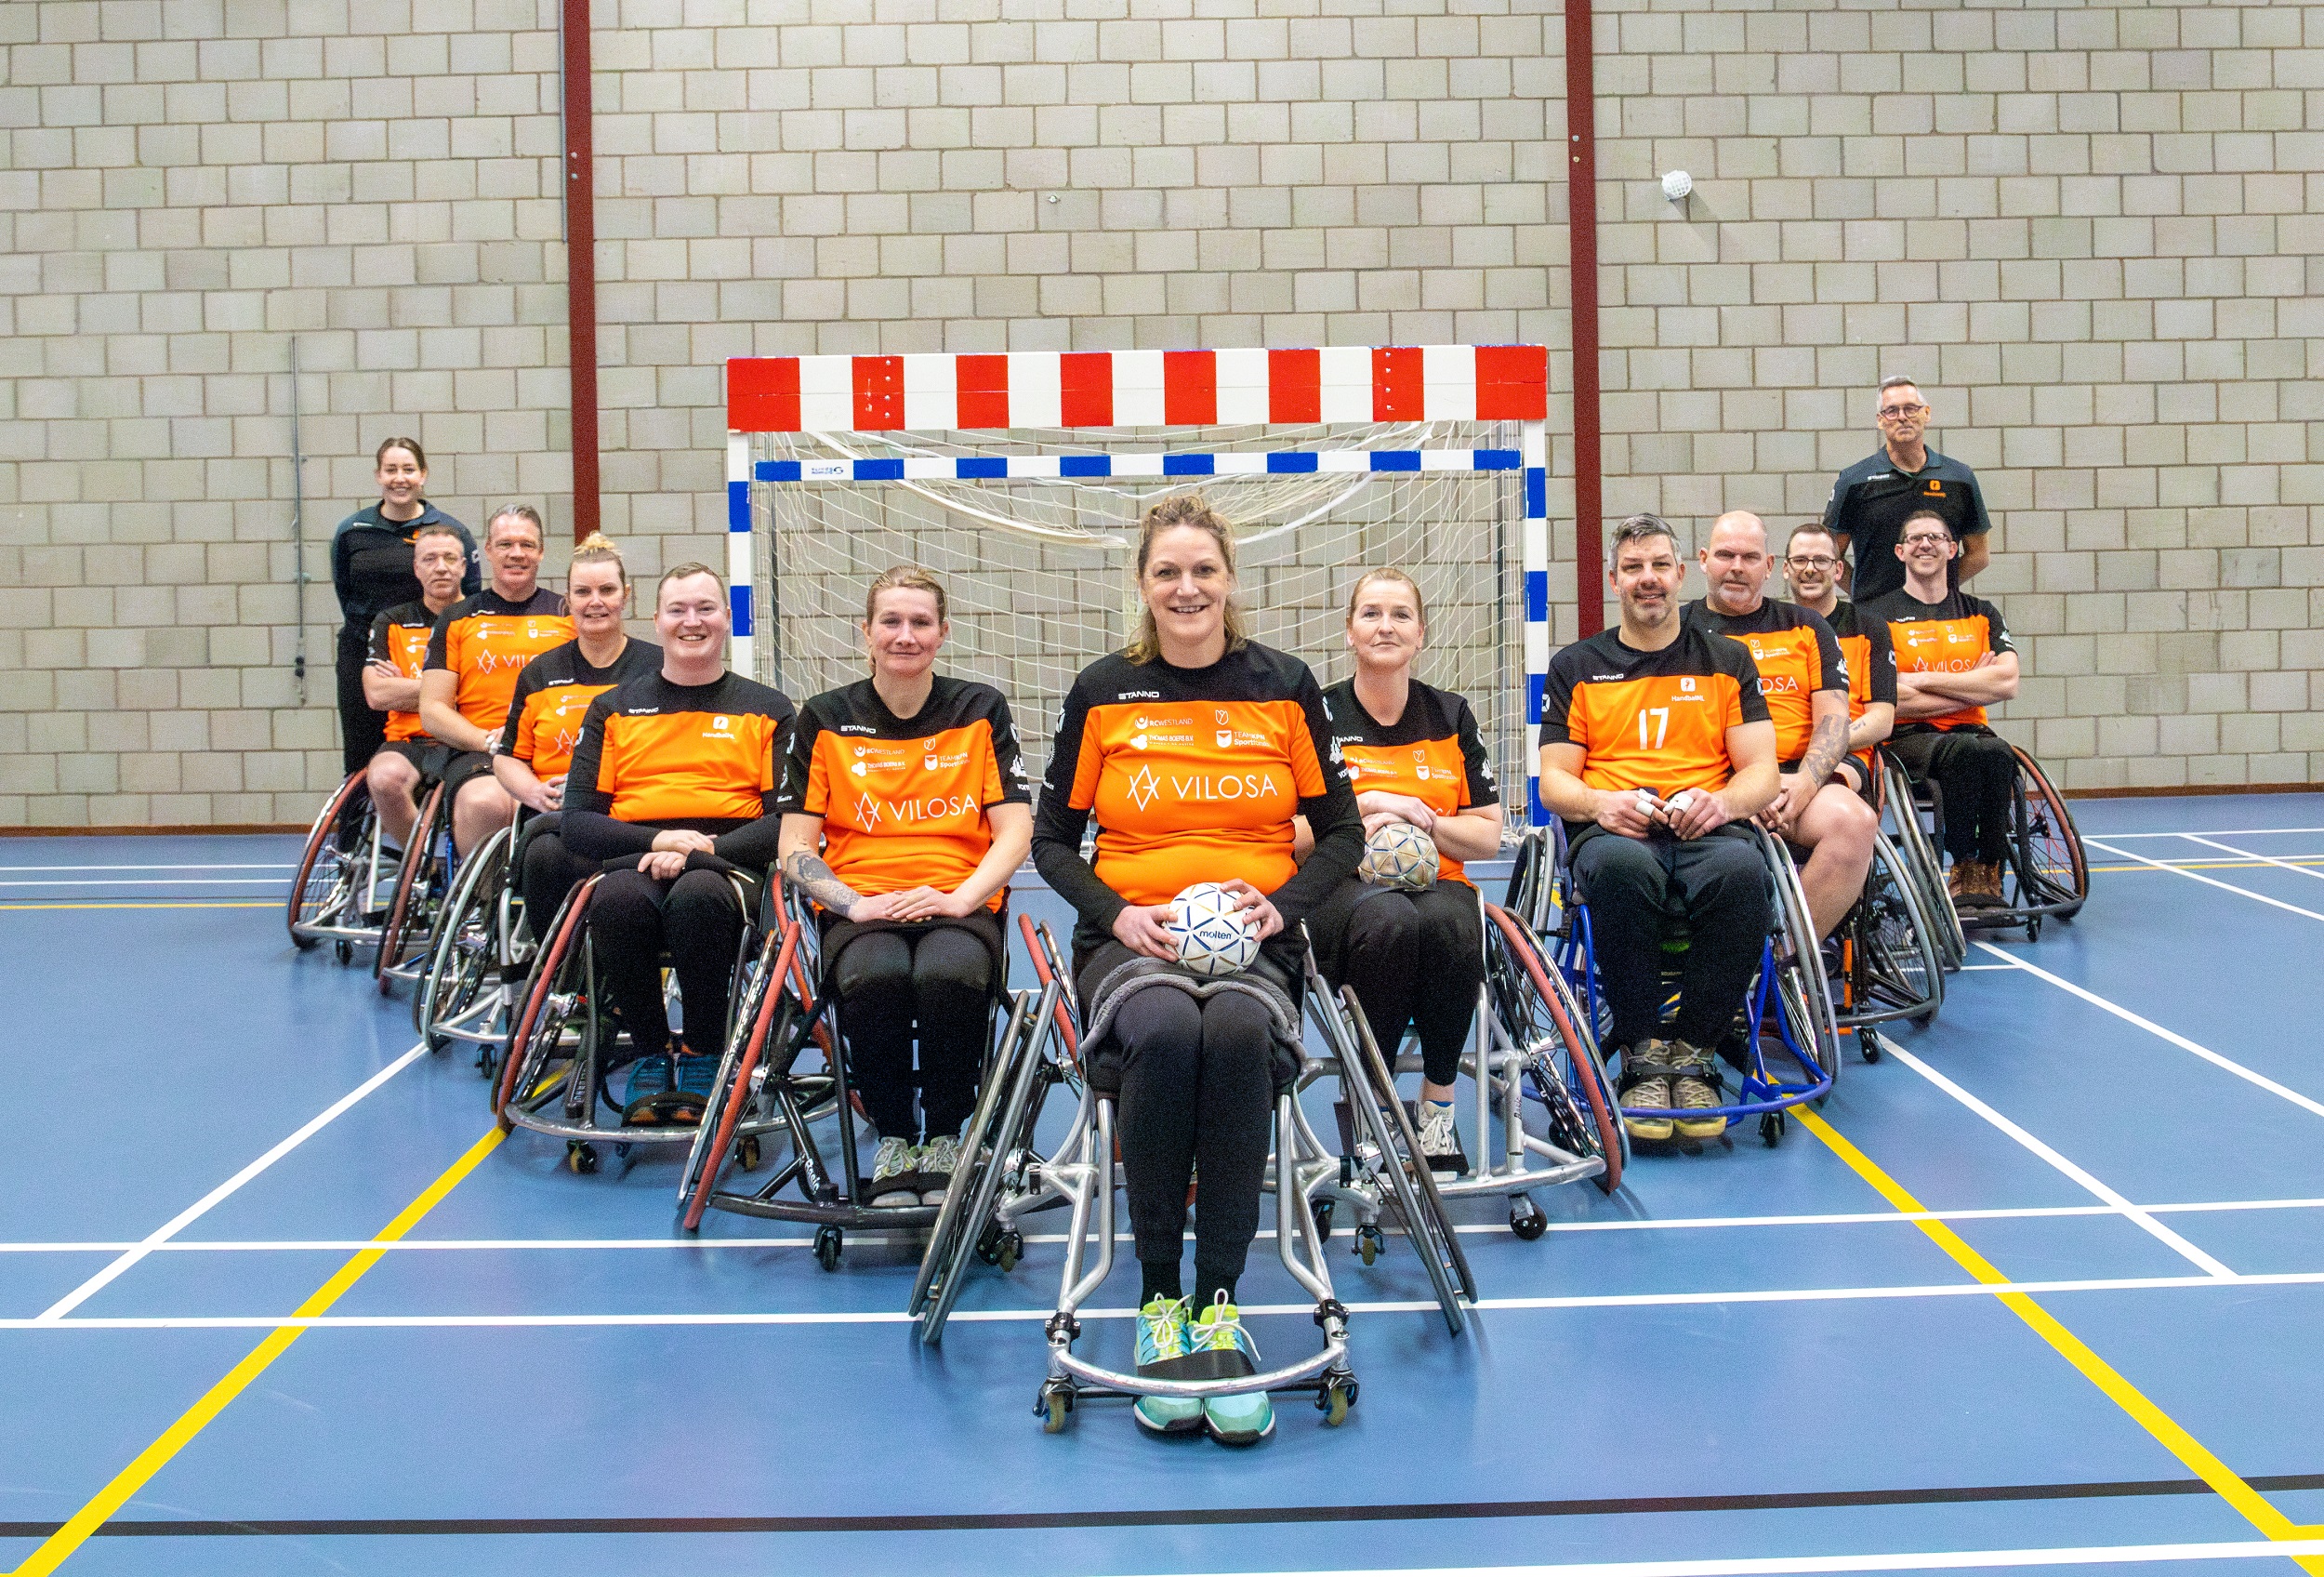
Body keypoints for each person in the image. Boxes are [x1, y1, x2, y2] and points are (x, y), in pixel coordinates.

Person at [1031, 494, 1362, 1446]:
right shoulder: (1104, 690)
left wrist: (1282, 908)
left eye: (1203, 570)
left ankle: (1218, 1303)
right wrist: (1118, 915)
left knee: (1240, 1033)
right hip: (1135, 944)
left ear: (1229, 579)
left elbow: (1342, 834)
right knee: (1171, 1031)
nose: (1187, 588)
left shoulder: (1285, 685)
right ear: (1143, 584)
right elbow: (1051, 842)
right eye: (1168, 572)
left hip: (1255, 944)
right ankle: (1156, 1299)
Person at [775, 566, 1034, 1209]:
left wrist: (963, 898)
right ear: (865, 632)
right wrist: (854, 904)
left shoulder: (979, 709)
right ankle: (893, 1138)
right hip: (862, 906)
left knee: (949, 974)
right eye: (890, 621)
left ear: (943, 633)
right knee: (876, 976)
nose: (905, 635)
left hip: (957, 903)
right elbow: (794, 849)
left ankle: (944, 1136)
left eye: (920, 622)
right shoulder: (825, 717)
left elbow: (1016, 830)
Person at [1538, 513, 1778, 1145]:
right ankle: (1642, 1053)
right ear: (1614, 580)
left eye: (1659, 566)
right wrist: (1600, 804)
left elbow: (1762, 773)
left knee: (1743, 872)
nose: (1648, 578)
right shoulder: (1576, 665)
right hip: (1617, 831)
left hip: (1708, 828)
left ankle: (1696, 1052)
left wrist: (1721, 803)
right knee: (1621, 870)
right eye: (1634, 567)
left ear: (1680, 574)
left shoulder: (1727, 659)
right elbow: (1553, 783)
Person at [560, 565, 796, 1112]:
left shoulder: (769, 708)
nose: (693, 621)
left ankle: (702, 1050)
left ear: (728, 618)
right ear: (657, 620)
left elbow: (785, 822)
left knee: (699, 897)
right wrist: (660, 841)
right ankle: (648, 1051)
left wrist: (703, 851)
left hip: (729, 863)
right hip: (638, 856)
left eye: (706, 608)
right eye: (678, 610)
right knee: (615, 901)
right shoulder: (613, 708)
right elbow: (577, 822)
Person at [1301, 568, 1503, 1171]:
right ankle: (1377, 1105)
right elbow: (1290, 835)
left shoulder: (1451, 715)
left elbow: (1486, 836)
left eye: (1400, 615)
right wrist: (1368, 806)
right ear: (1349, 631)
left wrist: (1424, 821)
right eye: (1370, 613)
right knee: (1389, 922)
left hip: (1439, 880)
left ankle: (1437, 1108)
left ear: (1421, 634)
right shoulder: (1318, 716)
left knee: (1452, 925)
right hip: (1342, 888)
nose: (1385, 626)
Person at [1683, 510, 1874, 942]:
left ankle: (1785, 958)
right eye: (1725, 555)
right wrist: (1744, 793)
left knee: (1855, 823)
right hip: (1715, 784)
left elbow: (1834, 720)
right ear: (1703, 560)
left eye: (1750, 557)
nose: (1737, 567)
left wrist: (1802, 785)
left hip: (1797, 779)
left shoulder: (1807, 626)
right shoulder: (1680, 631)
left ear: (1769, 566)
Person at [492, 533, 660, 928]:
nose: (595, 601)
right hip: (560, 817)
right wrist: (532, 791)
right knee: (544, 857)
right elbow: (508, 758)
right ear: (568, 600)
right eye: (583, 592)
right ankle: (554, 962)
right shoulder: (539, 673)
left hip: (633, 816)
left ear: (626, 595)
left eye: (607, 590)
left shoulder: (658, 668)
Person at [1860, 510, 2021, 910]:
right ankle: (1963, 863)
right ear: (1900, 552)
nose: (1925, 544)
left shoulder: (1981, 611)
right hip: (1906, 739)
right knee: (1965, 752)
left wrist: (1921, 679)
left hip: (1974, 733)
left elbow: (2006, 682)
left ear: (1952, 549)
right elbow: (1888, 697)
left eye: (1935, 537)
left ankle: (1988, 871)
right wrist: (1973, 687)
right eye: (1915, 538)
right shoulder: (1875, 617)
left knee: (1998, 752)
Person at [418, 505, 572, 859]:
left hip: (554, 750)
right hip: (481, 751)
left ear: (541, 552)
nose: (516, 553)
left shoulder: (568, 614)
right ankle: (484, 891)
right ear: (488, 550)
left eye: (527, 544)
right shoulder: (457, 618)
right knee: (487, 802)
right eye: (505, 544)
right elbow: (432, 709)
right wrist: (489, 741)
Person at [330, 439, 478, 775]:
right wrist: (380, 640)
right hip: (366, 650)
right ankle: (361, 813)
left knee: (434, 739)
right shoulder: (352, 531)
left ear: (423, 475)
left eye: (409, 469)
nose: (400, 478)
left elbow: (469, 596)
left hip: (430, 648)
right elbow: (344, 591)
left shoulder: (449, 531)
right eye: (391, 470)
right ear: (378, 476)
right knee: (361, 755)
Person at [1823, 377, 1993, 604]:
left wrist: (1938, 590)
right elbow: (1829, 556)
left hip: (1939, 615)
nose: (1902, 417)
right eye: (1892, 411)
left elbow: (1979, 555)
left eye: (1911, 408)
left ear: (1926, 414)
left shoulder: (1959, 478)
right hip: (1874, 617)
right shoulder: (1854, 480)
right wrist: (1864, 595)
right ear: (1880, 420)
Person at [362, 522, 467, 852]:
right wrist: (455, 688)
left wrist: (409, 688)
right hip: (409, 741)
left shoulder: (482, 619)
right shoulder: (392, 621)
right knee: (383, 779)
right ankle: (424, 868)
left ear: (464, 566)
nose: (441, 567)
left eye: (450, 558)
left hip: (469, 739)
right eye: (429, 559)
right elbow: (377, 694)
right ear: (417, 568)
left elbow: (496, 691)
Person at [1780, 523, 1898, 803]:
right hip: (1778, 756)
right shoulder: (1771, 626)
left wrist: (1823, 745)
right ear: (1785, 568)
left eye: (1821, 560)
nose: (1810, 569)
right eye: (1800, 560)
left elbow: (1882, 720)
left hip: (1846, 757)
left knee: (1822, 802)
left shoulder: (1870, 628)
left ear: (1838, 569)